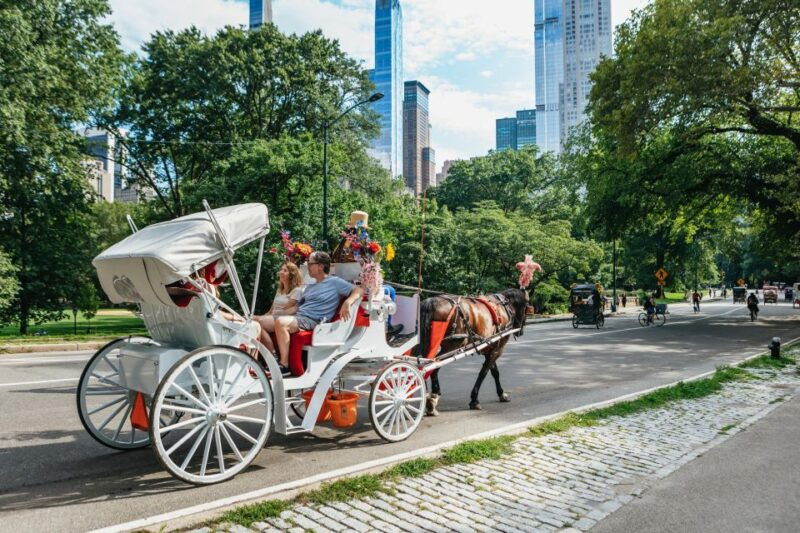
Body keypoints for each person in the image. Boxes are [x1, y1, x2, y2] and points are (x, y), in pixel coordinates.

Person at [272, 251, 363, 373]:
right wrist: (275, 313)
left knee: (281, 323)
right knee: (259, 323)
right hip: (299, 316)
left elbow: (359, 290)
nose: (308, 266)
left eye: (310, 263)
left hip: (314, 320)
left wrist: (348, 302)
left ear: (321, 266)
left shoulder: (334, 282)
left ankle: (284, 364)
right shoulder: (310, 286)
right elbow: (297, 307)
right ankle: (267, 360)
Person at [255, 262, 304, 356]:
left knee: (259, 322)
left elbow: (288, 310)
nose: (281, 272)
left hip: (283, 317)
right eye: (281, 270)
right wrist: (264, 316)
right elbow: (271, 310)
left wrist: (266, 317)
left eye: (285, 270)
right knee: (251, 320)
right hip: (272, 316)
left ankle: (272, 354)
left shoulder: (297, 291)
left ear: (291, 275)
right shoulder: (279, 290)